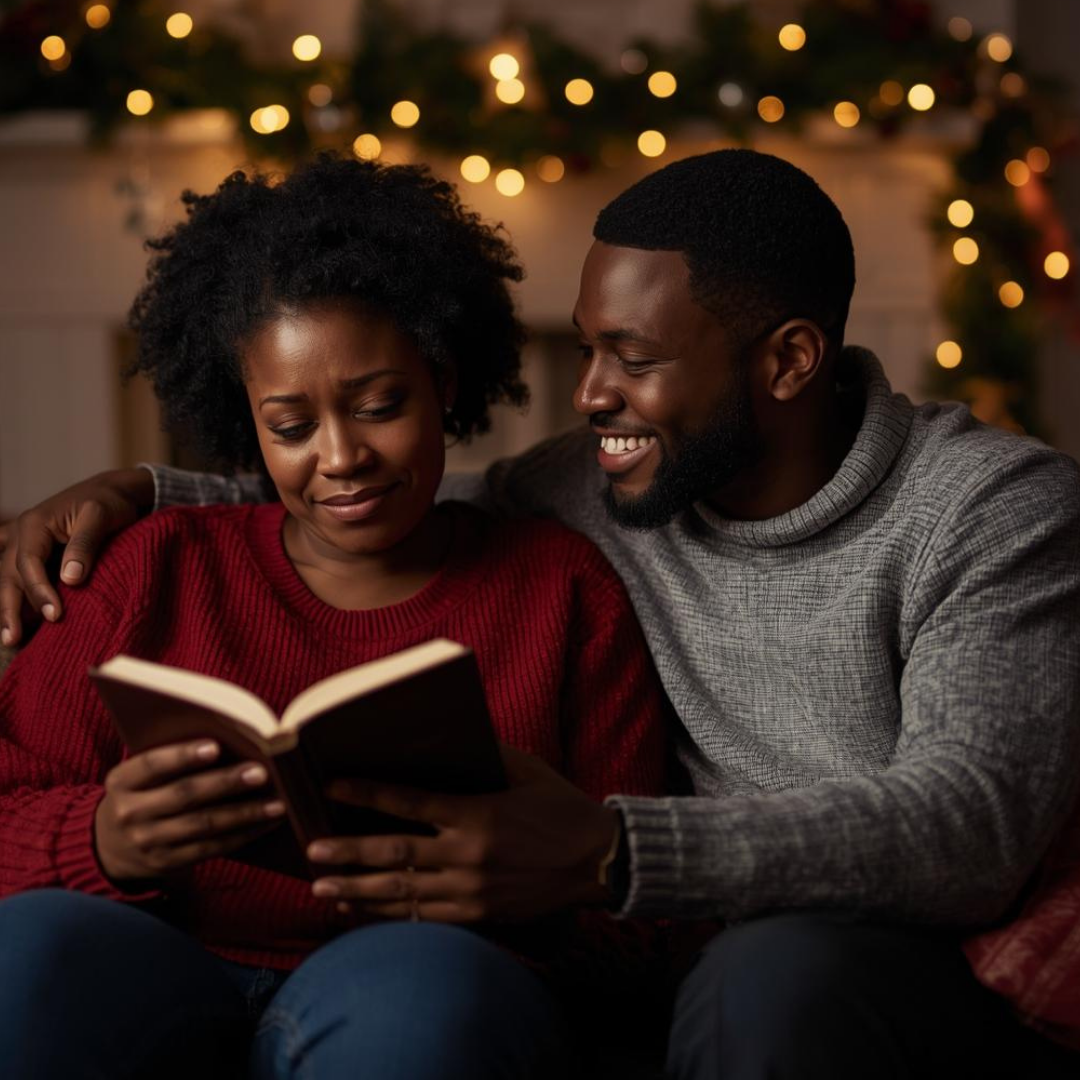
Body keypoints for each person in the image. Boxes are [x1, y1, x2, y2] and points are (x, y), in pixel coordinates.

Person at [3, 148, 1080, 1079]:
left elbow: (972, 822)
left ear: (789, 360)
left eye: (634, 360)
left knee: (762, 975)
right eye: (589, 347)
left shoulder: (991, 510)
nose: (589, 393)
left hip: (912, 963)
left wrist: (608, 853)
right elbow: (384, 501)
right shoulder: (601, 480)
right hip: (711, 946)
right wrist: (141, 491)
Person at [0, 154, 674, 1080]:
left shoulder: (561, 589)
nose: (342, 456)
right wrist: (100, 841)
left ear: (443, 381)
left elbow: (647, 922)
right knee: (29, 955)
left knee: (417, 1002)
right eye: (290, 426)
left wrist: (530, 892)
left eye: (379, 405)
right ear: (245, 421)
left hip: (422, 982)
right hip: (163, 966)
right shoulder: (149, 567)